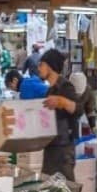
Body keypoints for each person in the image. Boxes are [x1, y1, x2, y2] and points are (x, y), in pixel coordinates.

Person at [38, 49, 81, 182]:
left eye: (41, 64)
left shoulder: (65, 87)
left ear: (50, 66)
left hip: (63, 150)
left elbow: (78, 109)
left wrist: (62, 102)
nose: (38, 68)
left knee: (67, 190)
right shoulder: (50, 90)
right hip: (51, 147)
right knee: (49, 190)